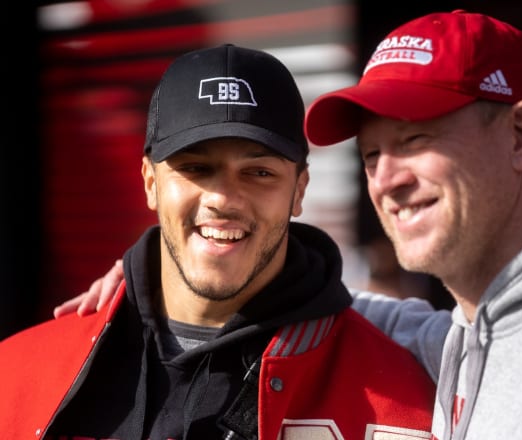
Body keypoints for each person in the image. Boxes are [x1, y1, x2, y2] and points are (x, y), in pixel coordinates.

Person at [66, 10, 522, 440]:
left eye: (415, 139)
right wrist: (172, 264)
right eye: (371, 155)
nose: (387, 180)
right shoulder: (476, 329)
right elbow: (332, 305)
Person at [0, 44, 438, 440]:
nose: (223, 199)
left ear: (299, 190)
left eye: (259, 172)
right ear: (150, 181)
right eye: (195, 168)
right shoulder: (16, 373)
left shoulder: (404, 403)